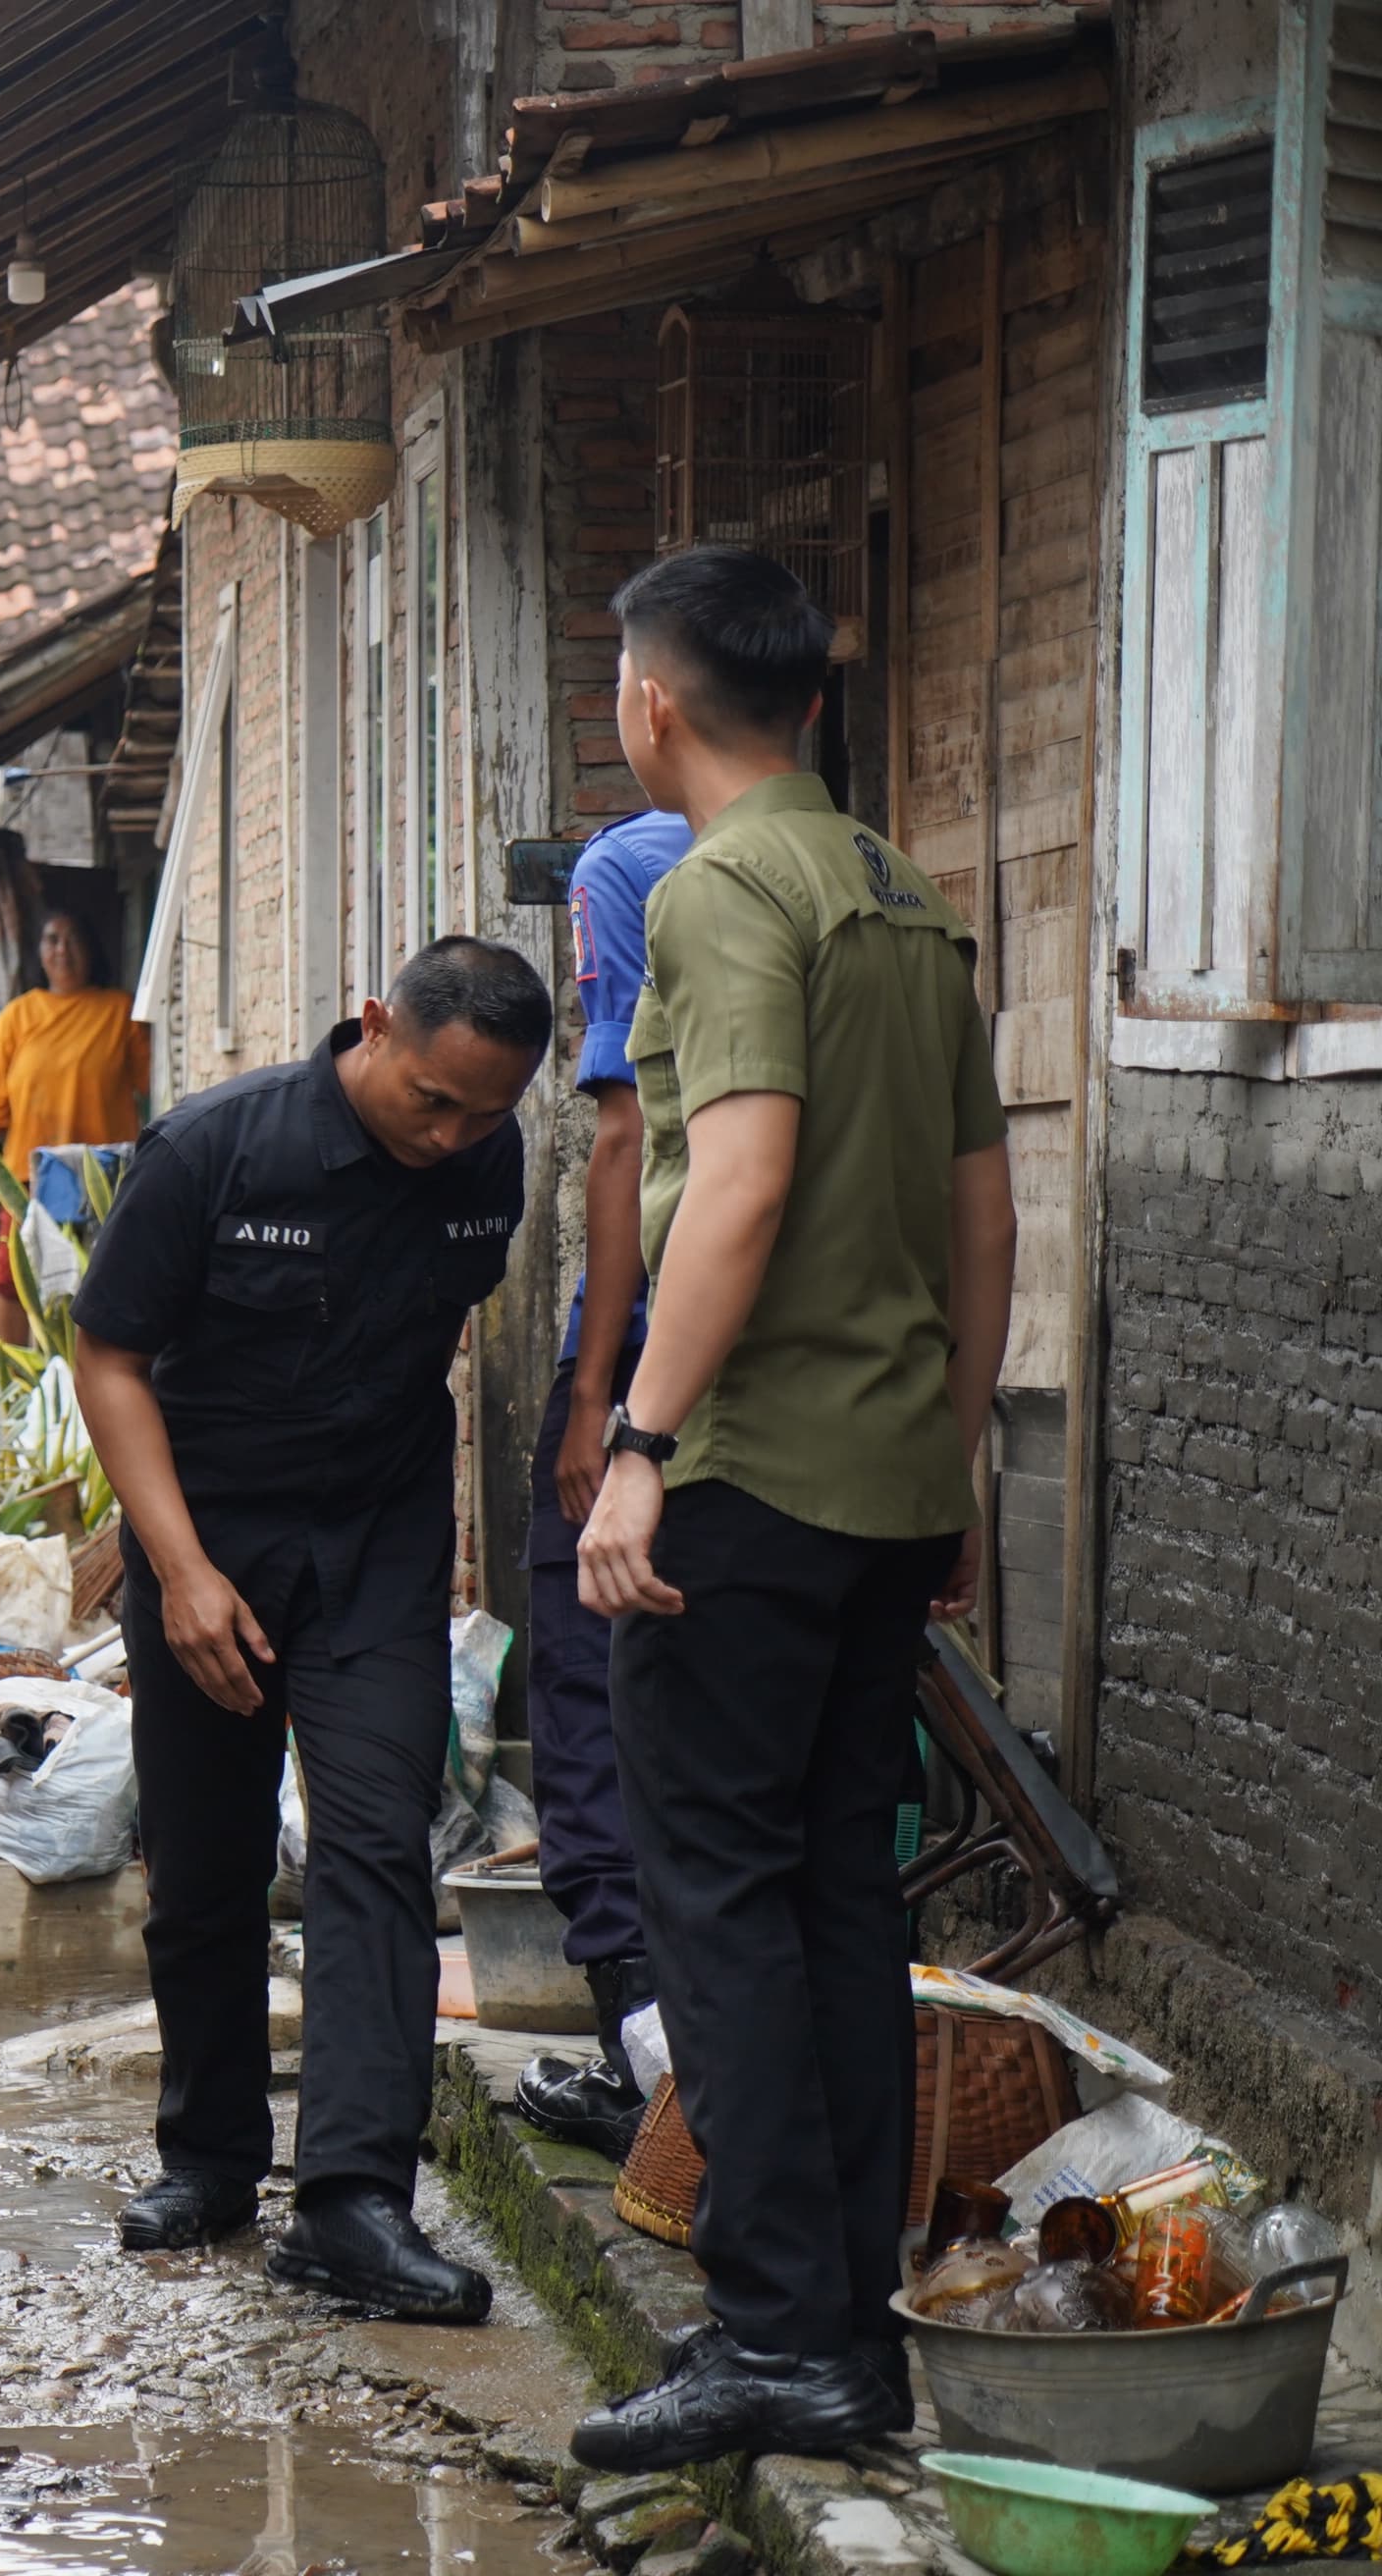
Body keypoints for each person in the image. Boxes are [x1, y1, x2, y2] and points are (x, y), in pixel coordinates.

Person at [569, 549, 1013, 2472]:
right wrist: (954, 1444)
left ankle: (779, 2333)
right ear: (810, 705)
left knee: (723, 1901)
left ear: (656, 707)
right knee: (832, 1889)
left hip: (749, 1479)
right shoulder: (906, 895)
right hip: (892, 1483)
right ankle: (846, 2337)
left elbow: (735, 1181)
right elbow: (986, 1214)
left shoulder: (720, 890)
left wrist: (642, 1440)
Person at [68, 936, 551, 2324]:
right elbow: (108, 1358)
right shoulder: (215, 1151)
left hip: (375, 1544)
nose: (452, 1134)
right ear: (372, 1026)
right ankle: (210, 2159)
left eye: (486, 1113)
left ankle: (353, 2201)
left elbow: (430, 1340)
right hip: (206, 1536)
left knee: (378, 1851)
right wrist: (179, 1570)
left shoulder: (487, 1164)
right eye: (433, 1100)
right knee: (209, 1865)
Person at [511, 807, 695, 2162]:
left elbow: (623, 1139)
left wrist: (598, 1404)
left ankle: (649, 2061)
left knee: (589, 1698)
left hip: (653, 1369)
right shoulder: (877, 881)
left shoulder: (627, 867)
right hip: (812, 1381)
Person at [0, 907, 153, 1344]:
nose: (62, 949)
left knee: (100, 1282)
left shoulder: (119, 1011)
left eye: (73, 938)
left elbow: (153, 1084)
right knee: (13, 1280)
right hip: (30, 1179)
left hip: (106, 1176)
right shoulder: (17, 1017)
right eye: (52, 939)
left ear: (91, 948)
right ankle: (22, 1386)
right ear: (39, 952)